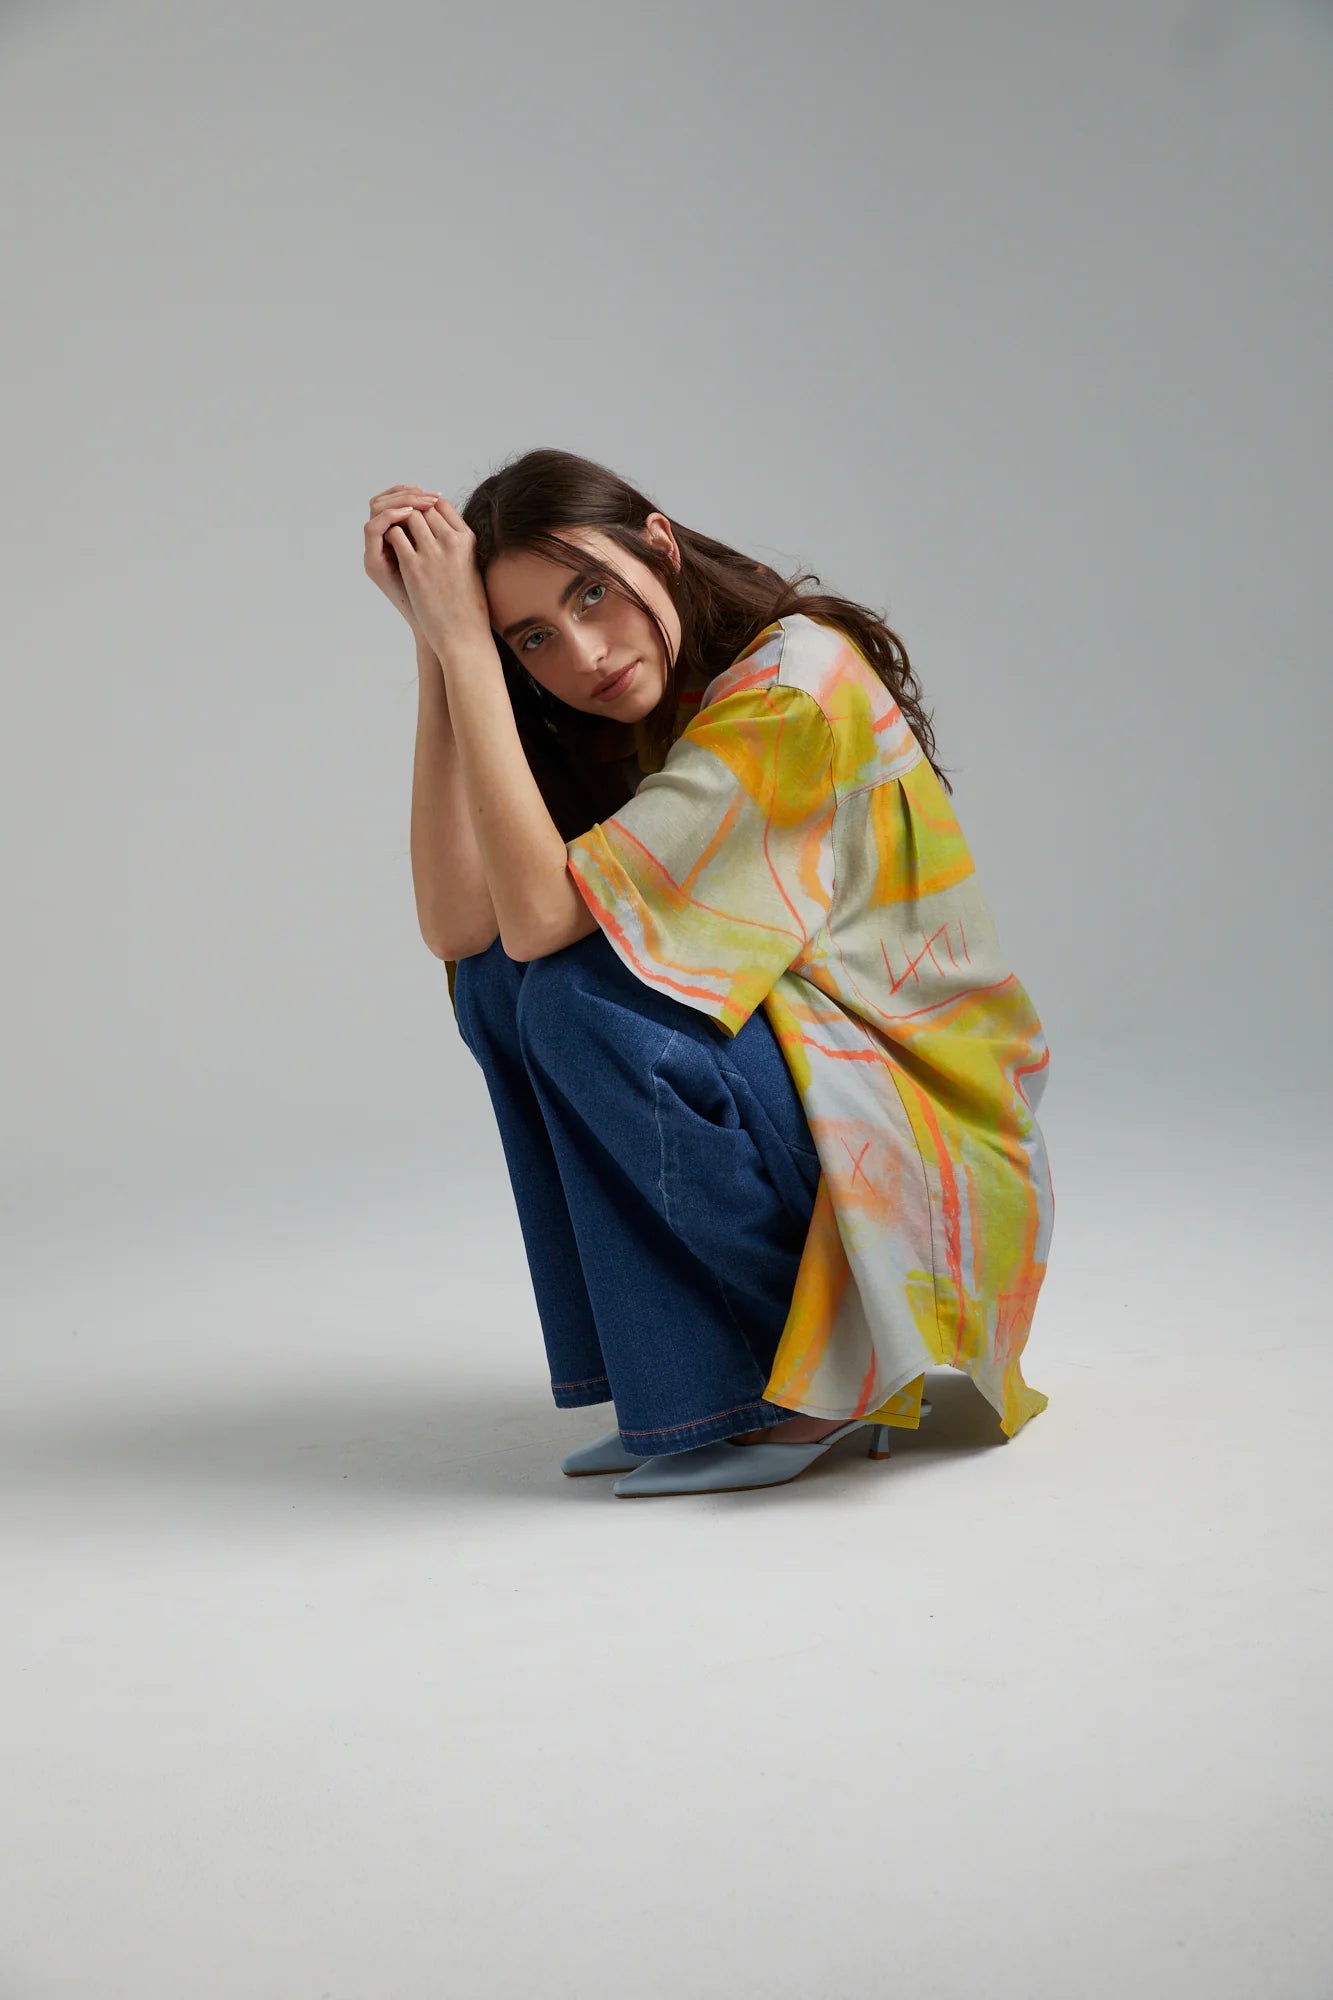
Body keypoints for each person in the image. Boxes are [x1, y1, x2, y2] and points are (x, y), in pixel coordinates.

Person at [362, 448, 1055, 1498]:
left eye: (591, 593)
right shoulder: (640, 710)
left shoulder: (791, 688)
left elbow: (543, 920)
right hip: (822, 1096)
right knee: (500, 989)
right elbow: (459, 928)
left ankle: (833, 1377)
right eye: (532, 637)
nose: (584, 651)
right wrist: (437, 644)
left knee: (573, 997)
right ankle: (692, 1387)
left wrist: (467, 643)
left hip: (920, 1149)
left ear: (659, 545)